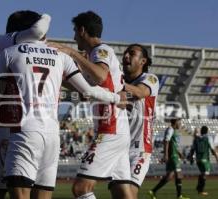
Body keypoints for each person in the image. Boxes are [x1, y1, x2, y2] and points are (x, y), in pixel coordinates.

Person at [0, 11, 126, 199]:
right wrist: (117, 98)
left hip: (25, 131)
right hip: (52, 136)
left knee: (19, 194)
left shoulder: (8, 53)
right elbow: (89, 92)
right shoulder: (60, 55)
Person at [49, 11, 132, 199]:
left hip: (110, 129)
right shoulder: (94, 55)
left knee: (81, 188)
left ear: (82, 30)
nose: (74, 37)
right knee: (122, 191)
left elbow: (101, 75)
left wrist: (72, 53)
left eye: (74, 32)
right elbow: (85, 89)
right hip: (117, 129)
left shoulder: (100, 51)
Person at [0, 10, 51, 199]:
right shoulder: (5, 42)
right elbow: (39, 31)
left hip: (22, 129)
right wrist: (47, 16)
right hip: (0, 128)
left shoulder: (22, 53)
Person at [122, 44, 159, 199]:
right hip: (119, 147)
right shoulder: (120, 81)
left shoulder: (150, 79)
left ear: (143, 61)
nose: (126, 56)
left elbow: (140, 92)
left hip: (140, 148)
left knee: (129, 191)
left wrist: (110, 83)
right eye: (125, 53)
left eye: (132, 53)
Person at [149, 118, 190, 199]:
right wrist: (166, 155)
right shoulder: (170, 129)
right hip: (172, 156)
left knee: (169, 176)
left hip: (174, 155)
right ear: (175, 122)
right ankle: (179, 195)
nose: (180, 124)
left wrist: (179, 153)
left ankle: (153, 191)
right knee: (179, 174)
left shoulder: (174, 131)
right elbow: (166, 141)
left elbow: (173, 144)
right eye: (179, 123)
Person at [189, 126, 218, 196]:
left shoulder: (196, 139)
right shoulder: (208, 138)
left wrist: (191, 158)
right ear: (207, 131)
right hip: (205, 159)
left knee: (202, 173)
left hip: (198, 160)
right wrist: (217, 157)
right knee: (206, 173)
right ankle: (201, 190)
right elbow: (212, 149)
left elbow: (192, 149)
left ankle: (199, 188)